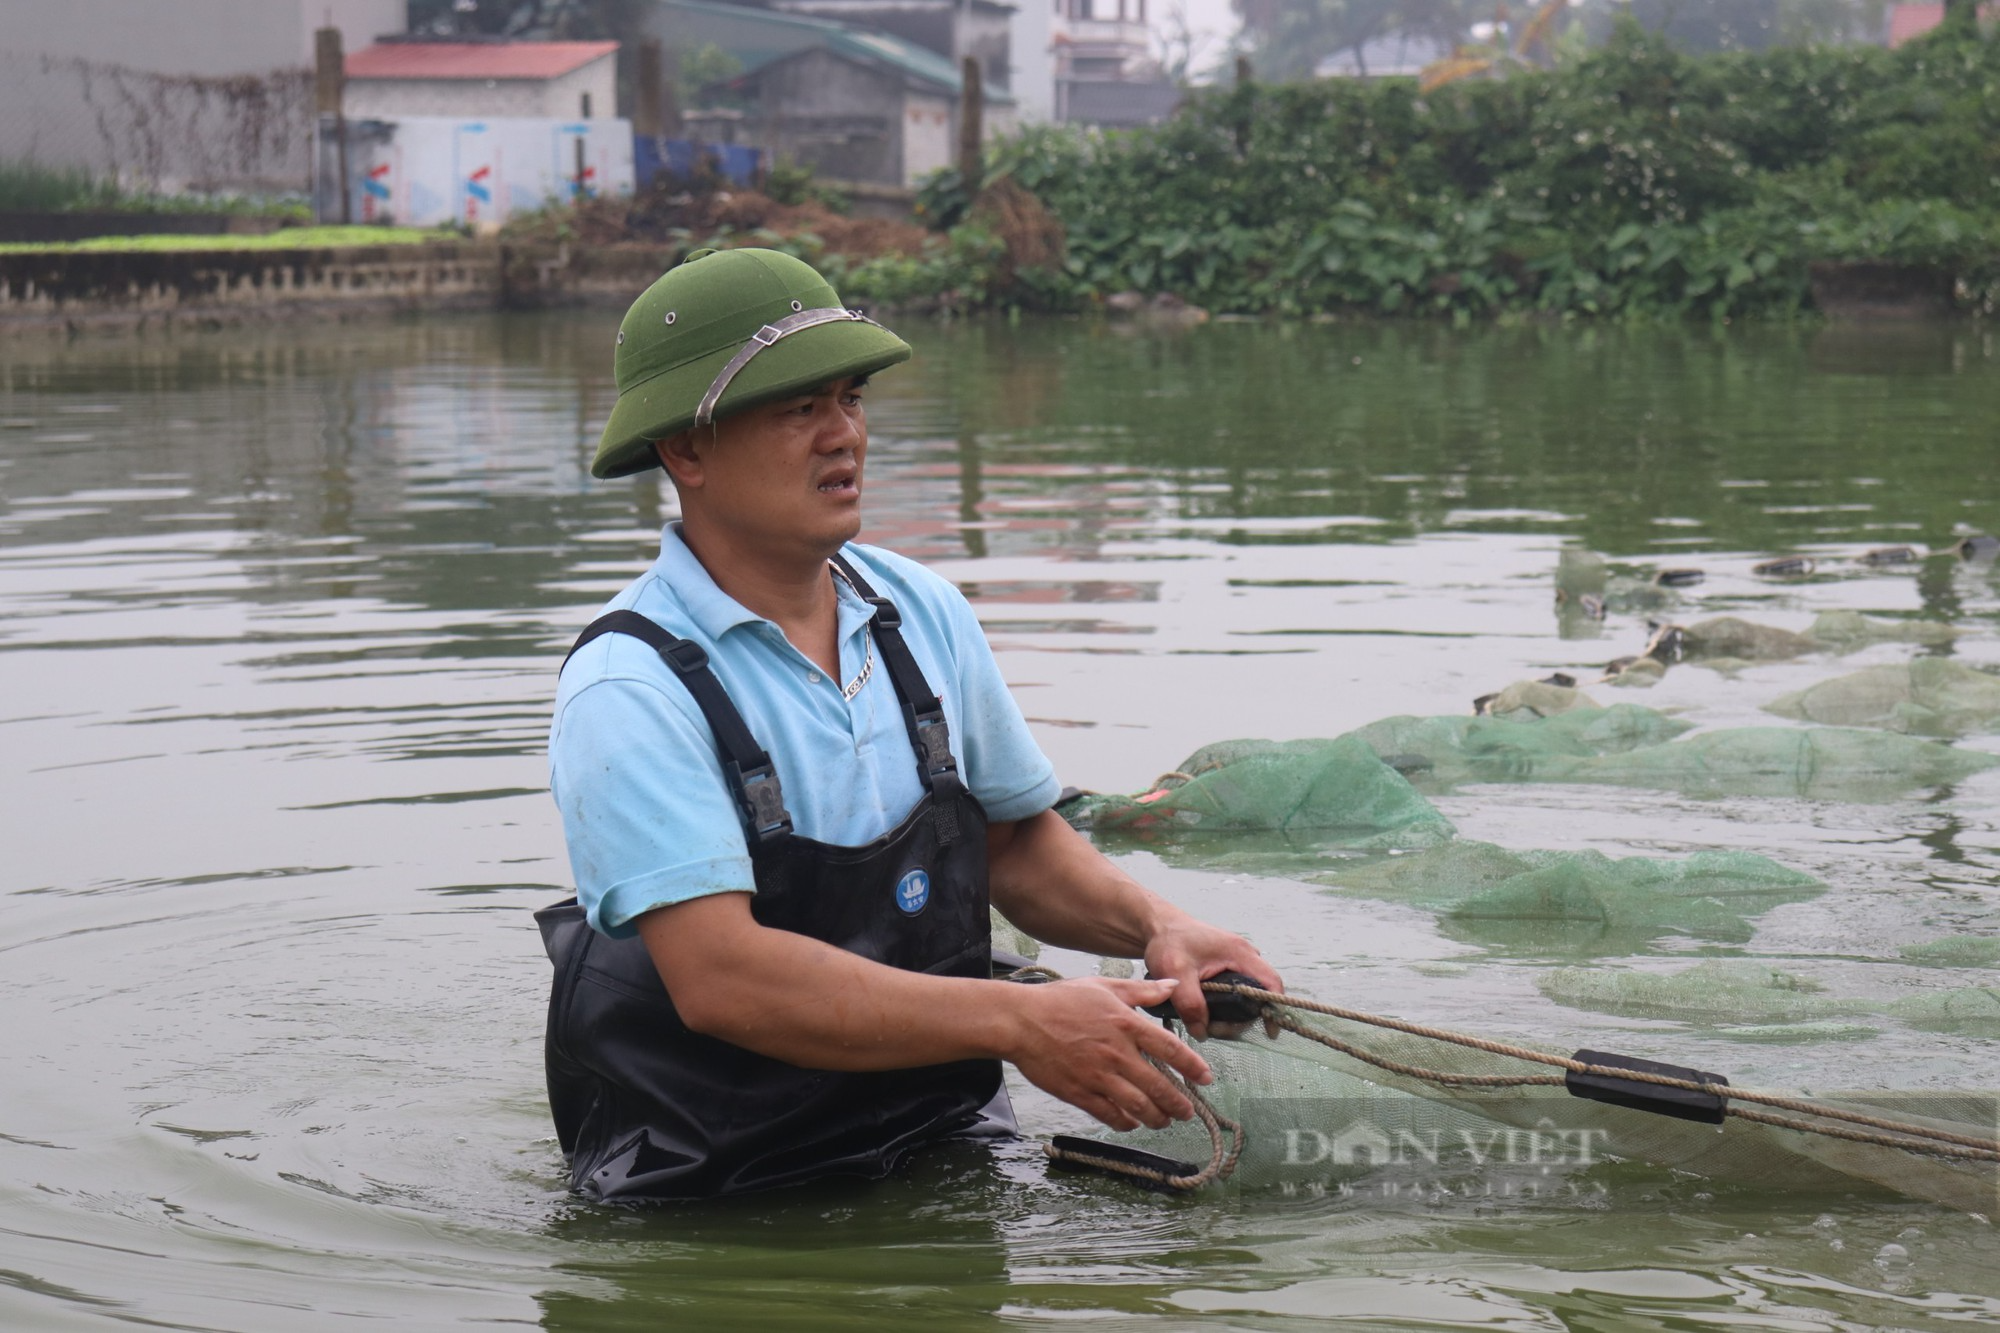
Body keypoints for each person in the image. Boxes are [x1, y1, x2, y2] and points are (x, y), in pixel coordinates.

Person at [538, 247, 1282, 1201]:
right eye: (798, 408)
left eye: (850, 398)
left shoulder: (917, 609)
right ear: (685, 450)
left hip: (941, 1136)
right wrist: (1021, 1022)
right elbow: (723, 977)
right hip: (714, 1195)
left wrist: (1161, 924)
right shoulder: (628, 685)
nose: (843, 435)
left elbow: (1013, 841)